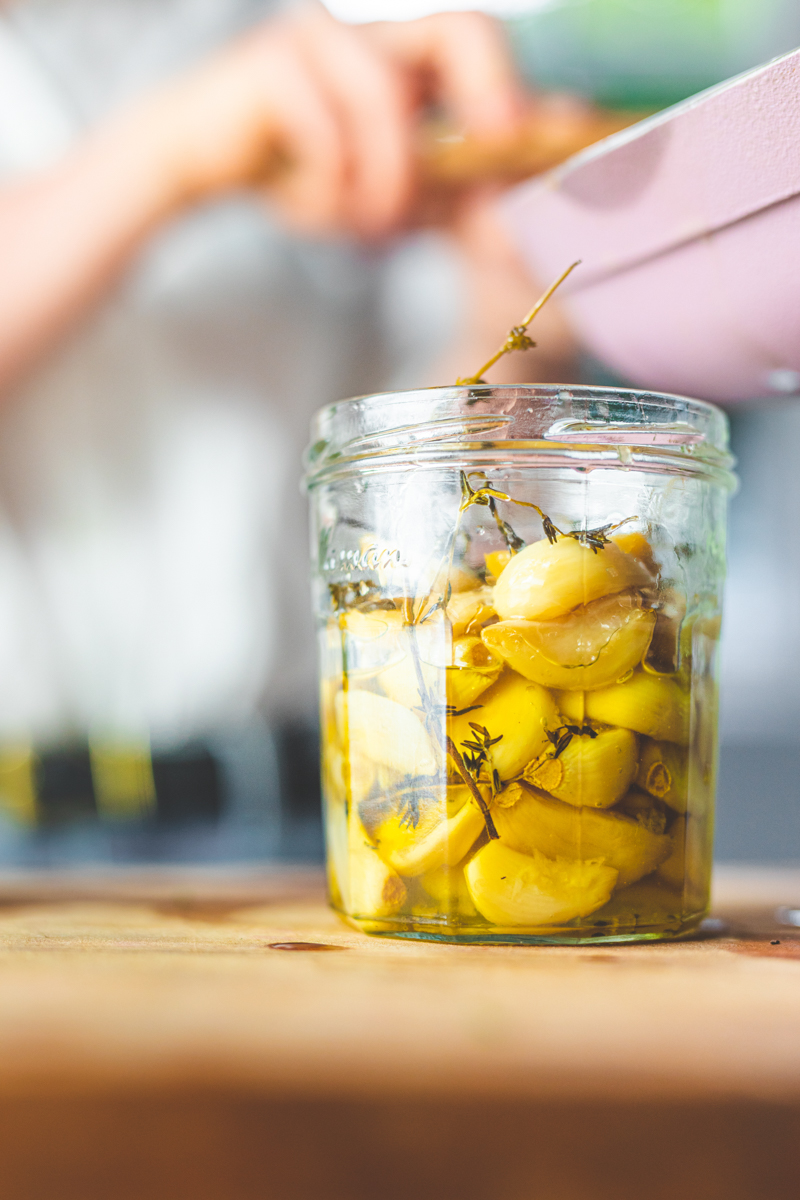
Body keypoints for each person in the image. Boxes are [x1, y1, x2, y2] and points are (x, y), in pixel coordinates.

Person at [0, 0, 577, 853]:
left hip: (331, 805)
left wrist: (518, 307)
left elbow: (435, 511)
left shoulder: (348, 56)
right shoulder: (293, 66)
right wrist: (173, 151)